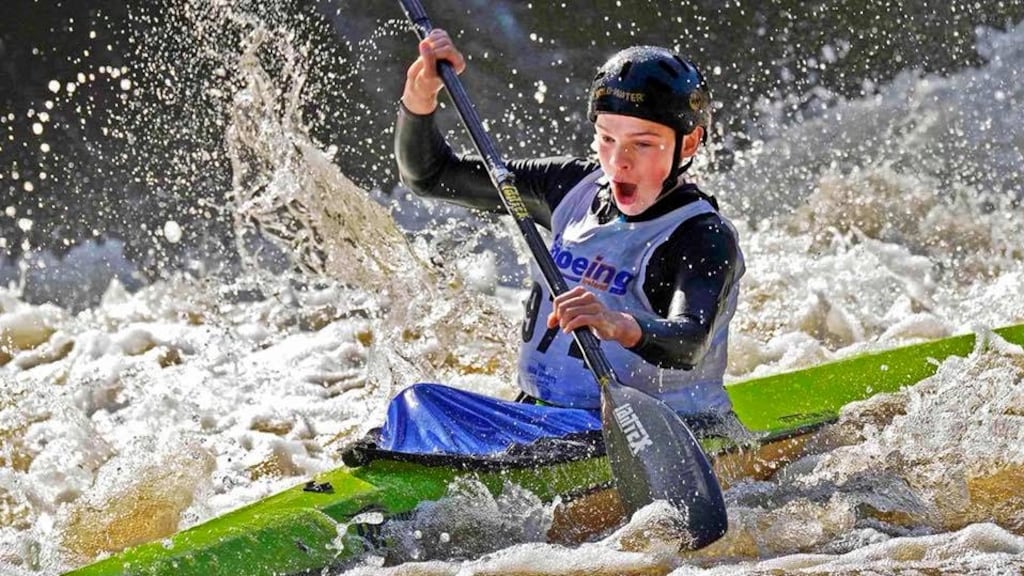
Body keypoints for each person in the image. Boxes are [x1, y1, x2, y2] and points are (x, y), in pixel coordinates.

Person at [375, 30, 747, 457]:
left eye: (642, 144)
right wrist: (421, 92)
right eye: (607, 138)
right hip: (549, 423)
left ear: (691, 142)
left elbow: (690, 340)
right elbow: (430, 175)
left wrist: (619, 323)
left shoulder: (702, 235)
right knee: (415, 406)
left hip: (656, 434)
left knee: (420, 407)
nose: (619, 160)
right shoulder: (570, 187)